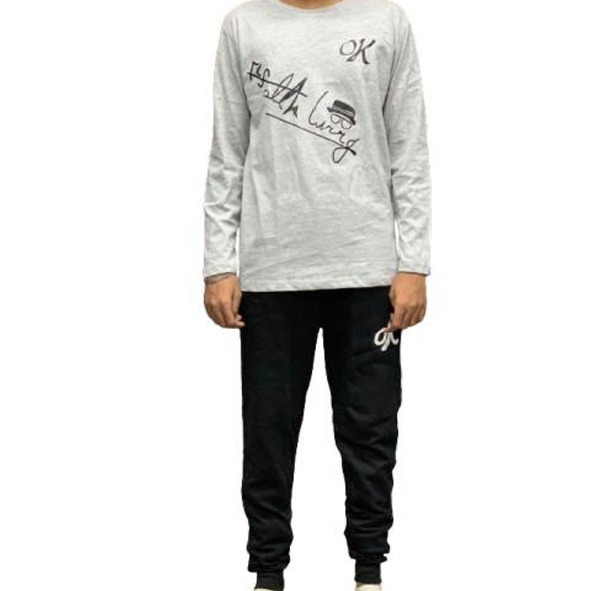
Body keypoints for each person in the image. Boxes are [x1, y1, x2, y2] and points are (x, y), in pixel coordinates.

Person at [202, 0, 431, 589]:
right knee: (268, 431)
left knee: (370, 429)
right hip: (273, 271)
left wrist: (413, 262)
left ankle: (368, 570)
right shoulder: (244, 25)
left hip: (367, 270)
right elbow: (228, 151)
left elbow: (409, 148)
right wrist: (218, 264)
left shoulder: (385, 22)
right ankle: (269, 572)